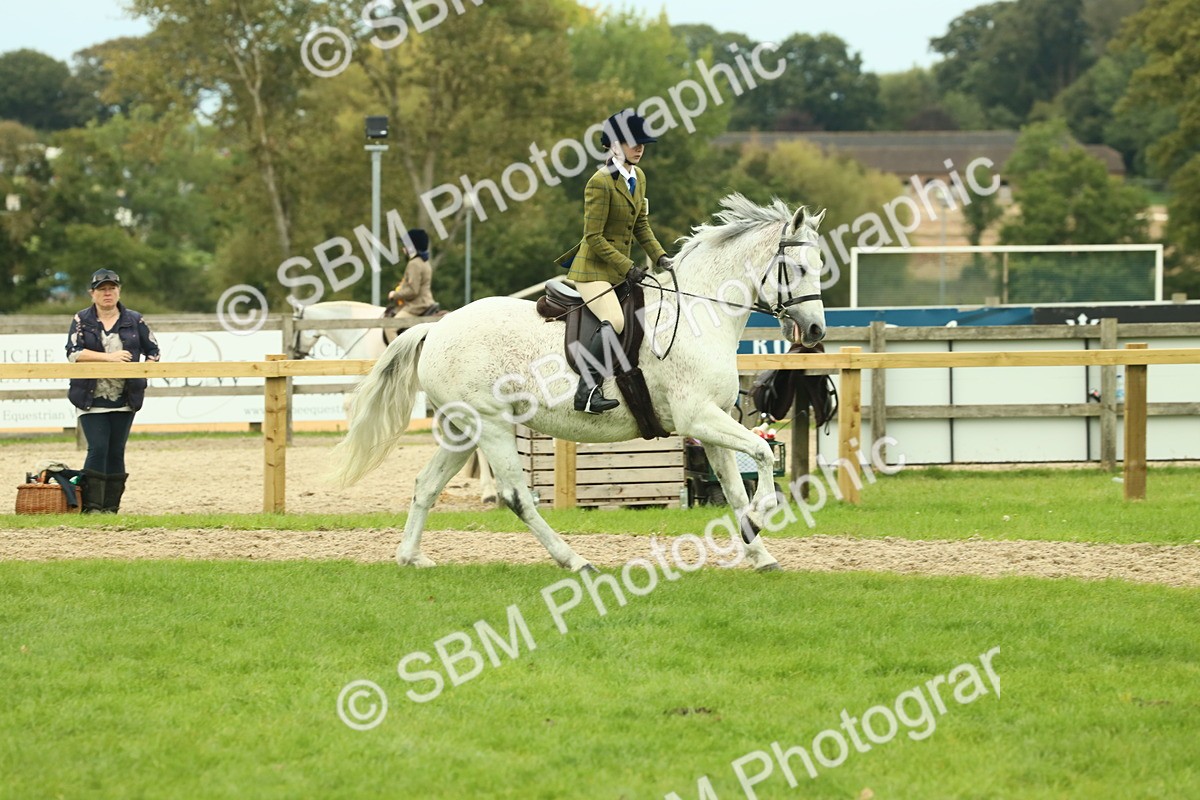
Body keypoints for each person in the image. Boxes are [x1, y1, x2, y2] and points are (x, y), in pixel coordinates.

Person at [556, 109, 673, 414]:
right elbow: (593, 237)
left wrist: (661, 256)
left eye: (642, 143)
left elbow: (641, 226)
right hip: (593, 270)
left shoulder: (639, 177)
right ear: (614, 145)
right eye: (634, 142)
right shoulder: (600, 182)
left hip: (619, 271)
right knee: (617, 321)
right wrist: (628, 268)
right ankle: (587, 391)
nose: (640, 147)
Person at [65, 269, 160, 513]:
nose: (107, 293)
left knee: (116, 450)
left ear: (119, 290)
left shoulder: (134, 320)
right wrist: (110, 358)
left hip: (125, 396)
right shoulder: (81, 319)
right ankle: (92, 507)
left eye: (112, 288)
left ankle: (111, 508)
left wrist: (143, 374)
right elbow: (74, 353)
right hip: (90, 397)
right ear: (92, 293)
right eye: (102, 289)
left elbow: (154, 351)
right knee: (97, 448)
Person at [386, 228, 437, 319]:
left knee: (389, 327)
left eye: (405, 245)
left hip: (417, 306)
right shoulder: (424, 262)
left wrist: (394, 295)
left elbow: (413, 291)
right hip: (427, 302)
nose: (403, 248)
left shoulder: (414, 264)